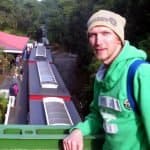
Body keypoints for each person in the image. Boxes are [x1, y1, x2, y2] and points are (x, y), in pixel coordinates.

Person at [63, 9, 150, 150]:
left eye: (105, 33)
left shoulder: (141, 73)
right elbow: (98, 116)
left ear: (118, 38)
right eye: (93, 35)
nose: (98, 41)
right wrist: (79, 131)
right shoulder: (101, 76)